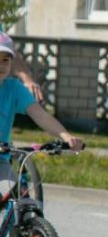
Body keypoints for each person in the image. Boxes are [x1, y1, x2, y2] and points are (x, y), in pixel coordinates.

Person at [0, 32, 83, 177]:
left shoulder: (14, 88)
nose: (1, 65)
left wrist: (67, 137)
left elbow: (41, 115)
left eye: (5, 60)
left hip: (1, 161)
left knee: (16, 196)